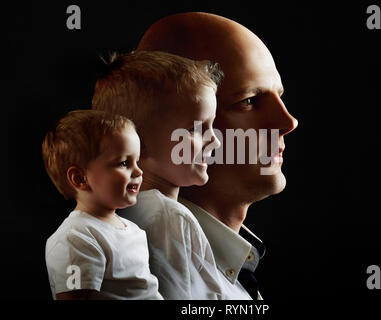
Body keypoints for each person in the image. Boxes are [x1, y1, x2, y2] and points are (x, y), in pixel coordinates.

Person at [135, 12, 298, 299]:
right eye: (248, 101)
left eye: (279, 95)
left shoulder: (226, 268)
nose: (287, 122)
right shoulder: (150, 269)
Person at [92, 51, 225, 299]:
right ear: (138, 144)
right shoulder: (166, 217)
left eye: (212, 125)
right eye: (196, 128)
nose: (214, 140)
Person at [42, 110, 163, 300]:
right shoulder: (76, 238)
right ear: (80, 178)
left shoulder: (132, 229)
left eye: (137, 161)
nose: (139, 171)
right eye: (124, 163)